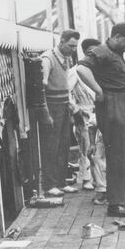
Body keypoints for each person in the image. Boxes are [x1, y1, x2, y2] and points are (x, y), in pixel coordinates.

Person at [77, 23, 125, 217]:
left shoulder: (116, 54)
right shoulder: (102, 51)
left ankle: (120, 198)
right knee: (118, 154)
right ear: (117, 36)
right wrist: (98, 90)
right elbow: (81, 69)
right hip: (116, 105)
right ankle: (116, 204)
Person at [40, 29, 80, 196]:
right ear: (61, 41)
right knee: (51, 147)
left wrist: (69, 103)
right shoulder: (47, 58)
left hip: (63, 107)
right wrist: (46, 113)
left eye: (75, 46)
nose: (72, 49)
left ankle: (61, 182)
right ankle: (49, 185)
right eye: (70, 45)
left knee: (64, 145)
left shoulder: (66, 59)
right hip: (52, 106)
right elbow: (41, 88)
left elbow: (64, 85)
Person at [69, 37, 101, 194]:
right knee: (86, 147)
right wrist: (75, 110)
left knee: (99, 147)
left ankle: (97, 178)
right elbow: (66, 92)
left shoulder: (99, 70)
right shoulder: (75, 71)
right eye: (92, 52)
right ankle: (86, 178)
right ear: (86, 51)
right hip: (84, 113)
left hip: (99, 112)